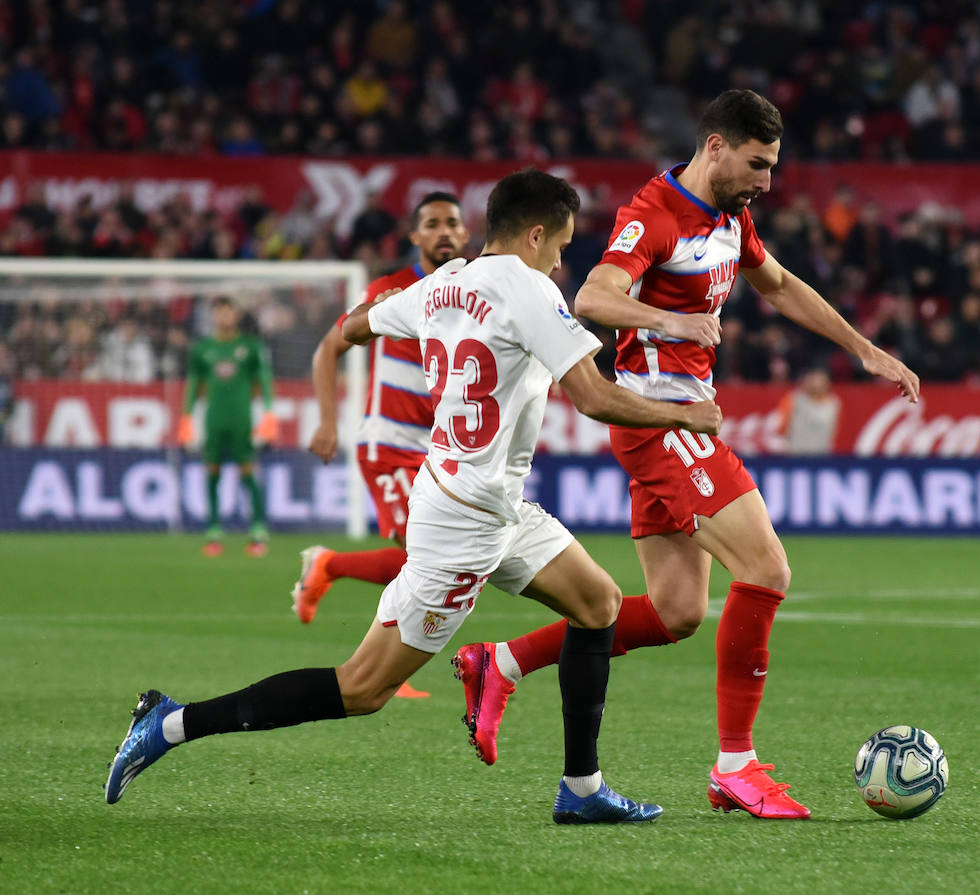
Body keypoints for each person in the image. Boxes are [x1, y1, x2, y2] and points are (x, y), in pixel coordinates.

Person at [105, 168, 723, 824]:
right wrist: (686, 415)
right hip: (464, 522)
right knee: (364, 687)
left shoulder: (437, 285)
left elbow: (353, 329)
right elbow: (595, 397)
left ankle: (581, 787)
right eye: (562, 246)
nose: (563, 260)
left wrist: (342, 353)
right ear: (537, 235)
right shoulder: (530, 291)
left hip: (487, 499)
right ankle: (172, 724)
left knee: (597, 603)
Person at [452, 90, 920, 819]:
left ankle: (501, 661)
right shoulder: (655, 214)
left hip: (680, 424)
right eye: (757, 164)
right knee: (766, 569)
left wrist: (862, 349)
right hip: (660, 422)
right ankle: (736, 765)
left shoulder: (732, 216)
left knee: (677, 612)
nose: (767, 180)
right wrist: (672, 317)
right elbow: (594, 300)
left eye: (772, 166)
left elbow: (780, 284)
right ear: (715, 147)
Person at [292, 191, 468, 699]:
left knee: (442, 559)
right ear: (415, 237)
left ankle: (330, 567)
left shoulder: (471, 293)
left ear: (465, 233)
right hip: (388, 444)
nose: (443, 232)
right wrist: (328, 421)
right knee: (421, 555)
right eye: (431, 223)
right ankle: (380, 658)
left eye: (451, 223)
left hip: (439, 452)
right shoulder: (390, 292)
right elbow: (330, 348)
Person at [179, 295, 276, 557]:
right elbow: (194, 382)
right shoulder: (202, 348)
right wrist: (186, 416)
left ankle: (257, 529)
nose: (224, 316)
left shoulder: (250, 346)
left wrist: (268, 412)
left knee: (248, 470)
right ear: (213, 315)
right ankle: (213, 529)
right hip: (214, 419)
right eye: (219, 311)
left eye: (228, 311)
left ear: (236, 315)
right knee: (212, 471)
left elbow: (264, 378)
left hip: (241, 418)